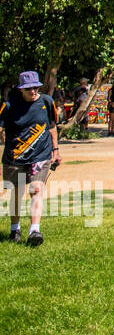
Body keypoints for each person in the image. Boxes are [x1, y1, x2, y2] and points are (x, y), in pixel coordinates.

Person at [1, 71, 60, 247]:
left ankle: (34, 230)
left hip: (41, 155)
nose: (33, 91)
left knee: (36, 189)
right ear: (21, 89)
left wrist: (56, 150)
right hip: (15, 157)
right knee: (17, 194)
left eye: (35, 87)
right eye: (29, 89)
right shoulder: (9, 106)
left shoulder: (47, 102)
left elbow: (52, 126)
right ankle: (15, 229)